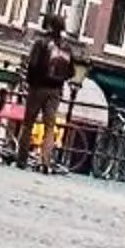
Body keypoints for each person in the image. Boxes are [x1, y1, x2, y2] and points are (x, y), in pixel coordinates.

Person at [22, 14, 79, 172]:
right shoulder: (66, 47)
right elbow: (72, 71)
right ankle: (45, 162)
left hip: (38, 87)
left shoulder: (41, 43)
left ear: (49, 25)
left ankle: (22, 159)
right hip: (55, 91)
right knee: (49, 127)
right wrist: (59, 81)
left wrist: (30, 82)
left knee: (28, 124)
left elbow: (32, 65)